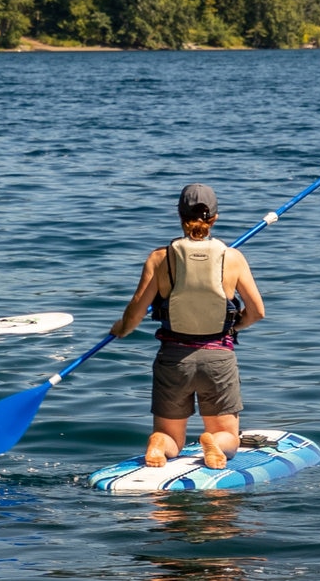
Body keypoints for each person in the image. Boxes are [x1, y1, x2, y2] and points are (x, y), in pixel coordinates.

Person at [110, 183, 267, 469]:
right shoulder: (233, 258)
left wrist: (121, 328)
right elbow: (257, 311)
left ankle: (159, 444)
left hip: (173, 360)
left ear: (179, 216)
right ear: (215, 218)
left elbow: (135, 311)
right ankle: (214, 443)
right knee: (227, 434)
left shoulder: (160, 258)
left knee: (170, 435)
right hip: (218, 358)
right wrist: (235, 326)